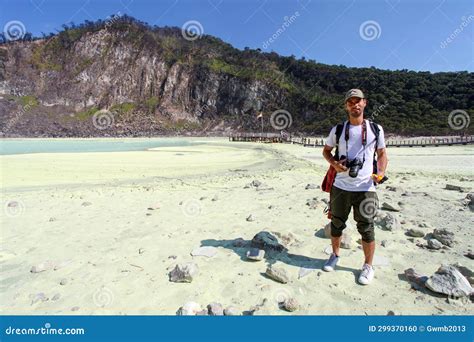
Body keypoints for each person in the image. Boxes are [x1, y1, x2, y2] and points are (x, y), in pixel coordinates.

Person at [321, 89, 388, 285]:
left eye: (357, 101)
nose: (354, 105)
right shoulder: (339, 129)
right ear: (346, 106)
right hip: (340, 186)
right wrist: (334, 164)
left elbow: (382, 154)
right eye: (350, 102)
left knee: (366, 228)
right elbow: (326, 151)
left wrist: (380, 173)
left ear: (364, 103)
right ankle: (334, 255)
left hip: (366, 188)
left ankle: (368, 266)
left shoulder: (376, 129)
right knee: (336, 224)